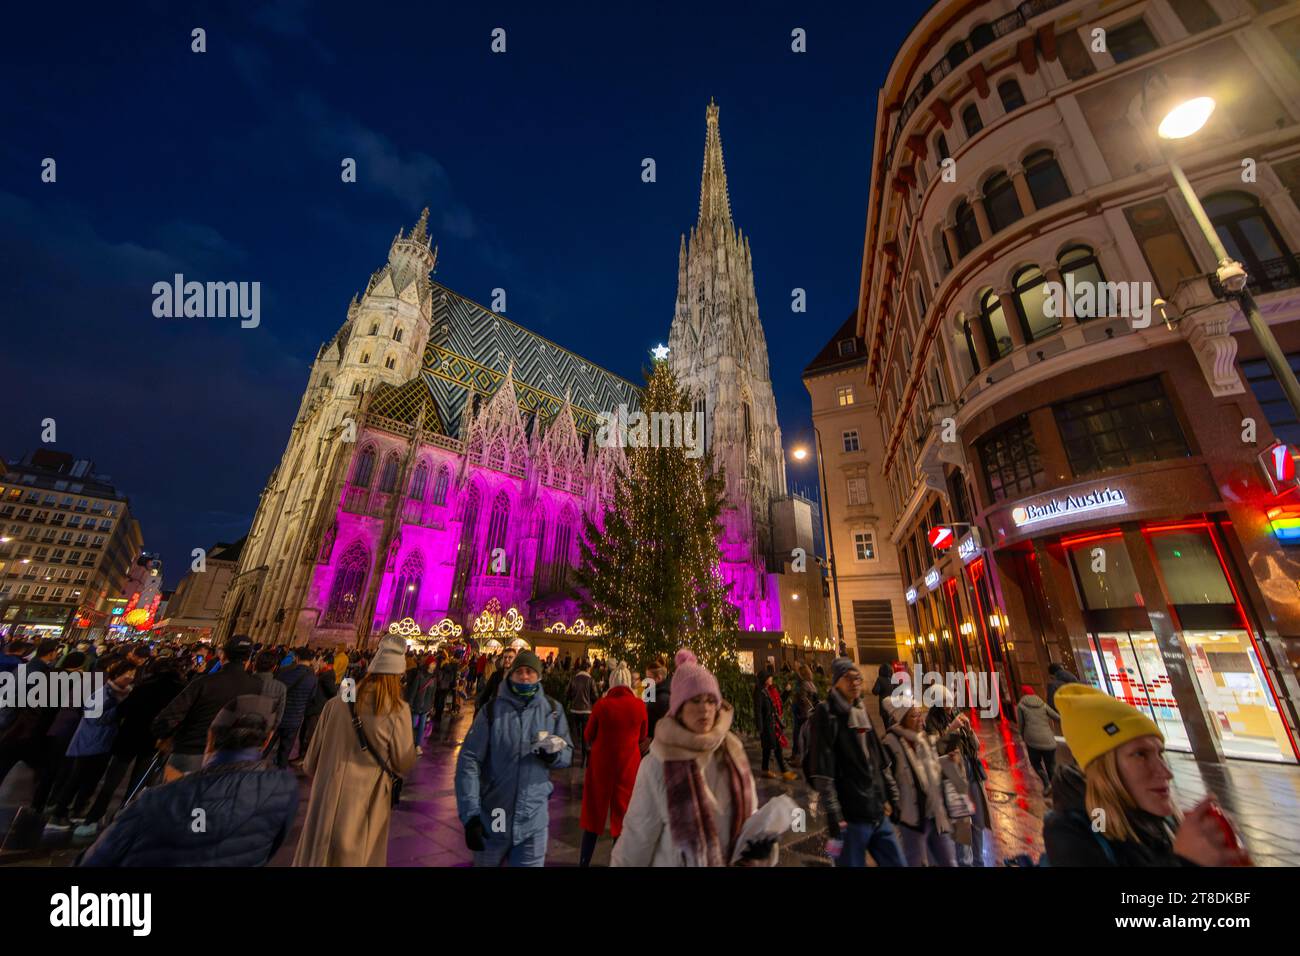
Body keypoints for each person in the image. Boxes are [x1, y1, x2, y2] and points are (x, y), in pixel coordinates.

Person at [79, 695, 299, 866]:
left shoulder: (155, 800)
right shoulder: (284, 789)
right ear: (267, 739)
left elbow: (97, 859)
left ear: (210, 736)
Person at [1044, 684, 1250, 866]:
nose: (1166, 772)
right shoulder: (1071, 834)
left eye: (1160, 753)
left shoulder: (1167, 820)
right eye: (1140, 754)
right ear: (1103, 769)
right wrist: (1186, 862)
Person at [612, 650, 775, 867]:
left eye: (710, 700)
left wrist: (763, 847)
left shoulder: (732, 751)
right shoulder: (657, 765)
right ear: (679, 709)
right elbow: (635, 842)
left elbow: (750, 818)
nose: (705, 709)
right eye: (695, 701)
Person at [293, 635, 416, 866]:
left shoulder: (337, 703)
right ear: (399, 676)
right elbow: (403, 761)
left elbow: (310, 763)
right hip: (365, 799)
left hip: (325, 798)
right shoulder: (398, 710)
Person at [456, 651, 572, 867]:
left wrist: (554, 755)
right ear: (511, 675)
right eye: (519, 672)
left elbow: (567, 753)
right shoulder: (492, 711)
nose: (525, 676)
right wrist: (470, 815)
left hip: (533, 817)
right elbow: (469, 760)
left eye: (530, 672)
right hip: (497, 813)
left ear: (539, 676)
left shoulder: (553, 711)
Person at [808, 657, 904, 867]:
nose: (855, 683)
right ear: (836, 683)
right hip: (850, 818)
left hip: (876, 810)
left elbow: (879, 759)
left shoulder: (860, 710)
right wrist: (834, 814)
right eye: (848, 678)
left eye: (858, 678)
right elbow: (824, 771)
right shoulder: (827, 714)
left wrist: (893, 797)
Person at [77, 655, 186, 837]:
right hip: (155, 742)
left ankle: (92, 819)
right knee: (139, 785)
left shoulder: (143, 687)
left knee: (111, 783)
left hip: (129, 737)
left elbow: (122, 710)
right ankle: (125, 820)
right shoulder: (181, 691)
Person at [44, 659, 139, 830]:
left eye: (133, 674)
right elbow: (93, 717)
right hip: (89, 742)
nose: (131, 677)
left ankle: (78, 810)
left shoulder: (124, 694)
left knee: (92, 780)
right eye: (128, 674)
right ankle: (58, 815)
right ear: (116, 674)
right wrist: (119, 710)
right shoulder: (104, 693)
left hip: (105, 743)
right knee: (76, 778)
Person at [579, 661, 646, 866]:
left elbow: (588, 734)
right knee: (622, 816)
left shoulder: (602, 704)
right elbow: (643, 736)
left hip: (601, 765)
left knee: (593, 815)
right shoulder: (639, 705)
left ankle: (584, 861)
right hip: (628, 765)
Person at [883, 695, 957, 866]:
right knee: (914, 861)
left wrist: (947, 759)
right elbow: (886, 776)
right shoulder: (891, 742)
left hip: (935, 812)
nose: (920, 720)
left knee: (949, 861)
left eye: (919, 714)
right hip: (913, 818)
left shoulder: (922, 738)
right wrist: (895, 804)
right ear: (902, 719)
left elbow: (930, 767)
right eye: (914, 716)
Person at [926, 687, 991, 867]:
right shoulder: (931, 720)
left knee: (978, 822)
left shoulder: (957, 713)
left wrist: (969, 730)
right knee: (962, 826)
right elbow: (935, 748)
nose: (949, 706)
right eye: (945, 703)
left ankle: (979, 861)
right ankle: (965, 863)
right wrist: (951, 728)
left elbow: (976, 747)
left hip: (973, 774)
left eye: (950, 701)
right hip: (953, 778)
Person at [274, 649, 319, 767]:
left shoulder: (284, 671)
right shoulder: (313, 678)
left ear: (297, 658)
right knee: (285, 750)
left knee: (265, 746)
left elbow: (276, 690)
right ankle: (279, 774)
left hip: (277, 714)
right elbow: (311, 698)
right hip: (295, 717)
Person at [1016, 683, 1061, 795]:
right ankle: (1056, 789)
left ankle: (1046, 783)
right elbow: (1057, 717)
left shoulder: (1021, 706)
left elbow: (1021, 725)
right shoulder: (1043, 704)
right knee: (1051, 765)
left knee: (1036, 763)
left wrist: (1022, 736)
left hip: (1032, 741)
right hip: (1049, 740)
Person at [755, 670, 795, 780]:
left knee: (767, 748)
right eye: (770, 677)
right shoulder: (759, 692)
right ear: (765, 680)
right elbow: (757, 710)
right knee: (777, 748)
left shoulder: (769, 690)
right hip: (767, 725)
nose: (772, 679)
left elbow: (778, 703)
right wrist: (760, 727)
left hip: (773, 724)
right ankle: (784, 771)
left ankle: (765, 770)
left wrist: (787, 692)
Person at [566, 659, 597, 766]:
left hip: (574, 710)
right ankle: (584, 761)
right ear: (588, 668)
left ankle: (571, 759)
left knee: (574, 736)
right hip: (586, 711)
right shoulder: (591, 680)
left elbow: (568, 694)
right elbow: (595, 696)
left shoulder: (573, 679)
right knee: (585, 736)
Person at [405, 656, 438, 754]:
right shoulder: (420, 675)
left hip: (426, 706)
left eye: (435, 663)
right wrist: (410, 702)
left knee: (421, 727)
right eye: (432, 663)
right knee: (413, 724)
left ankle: (417, 745)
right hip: (417, 704)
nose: (434, 665)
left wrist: (432, 704)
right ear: (428, 664)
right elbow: (414, 690)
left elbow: (433, 693)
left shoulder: (433, 678)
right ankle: (408, 743)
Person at [789, 663, 818, 765]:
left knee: (799, 736)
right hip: (807, 713)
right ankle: (798, 756)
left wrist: (797, 702)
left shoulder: (804, 684)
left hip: (801, 714)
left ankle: (798, 759)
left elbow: (802, 699)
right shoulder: (811, 683)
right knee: (802, 736)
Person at [251, 650, 287, 732]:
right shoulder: (280, 687)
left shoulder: (245, 680)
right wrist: (271, 731)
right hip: (263, 731)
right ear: (274, 667)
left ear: (254, 664)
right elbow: (278, 716)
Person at [644, 656, 671, 741]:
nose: (646, 681)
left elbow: (667, 727)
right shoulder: (652, 691)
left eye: (649, 678)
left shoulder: (663, 699)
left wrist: (652, 739)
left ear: (658, 678)